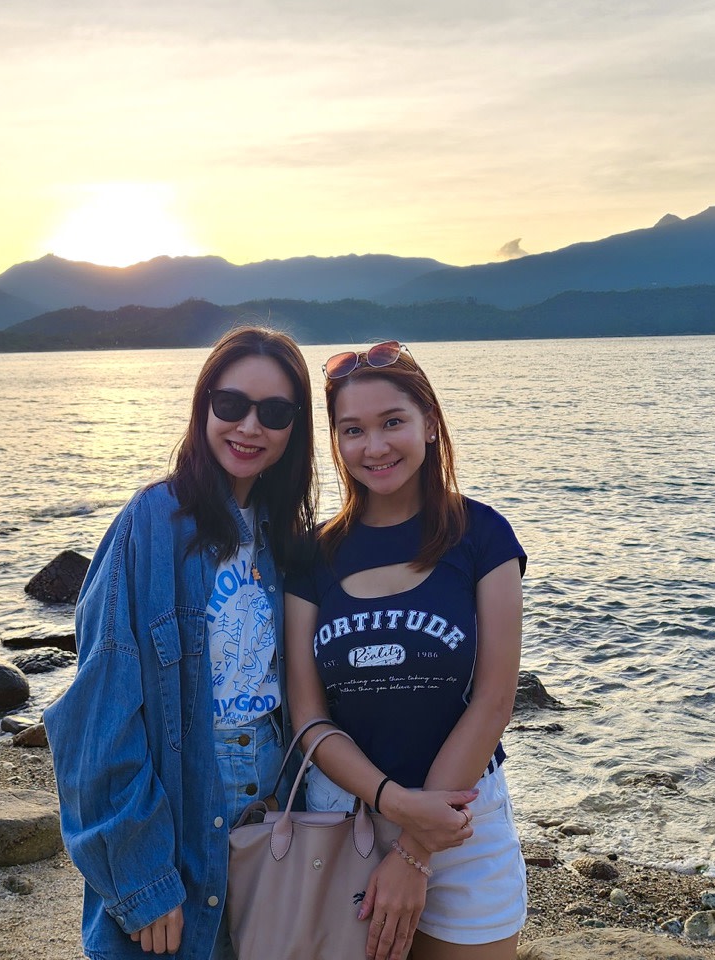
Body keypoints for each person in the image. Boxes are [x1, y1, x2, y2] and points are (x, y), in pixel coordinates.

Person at [44, 326, 317, 960]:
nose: (249, 426)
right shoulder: (151, 523)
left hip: (275, 802)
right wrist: (141, 876)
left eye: (274, 412)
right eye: (231, 404)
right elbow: (98, 710)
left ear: (295, 428)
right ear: (204, 407)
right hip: (182, 799)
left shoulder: (285, 537)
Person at [285, 340, 527, 960]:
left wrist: (416, 850)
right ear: (336, 441)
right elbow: (309, 716)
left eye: (392, 422)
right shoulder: (313, 555)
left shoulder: (481, 535)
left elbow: (494, 700)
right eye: (353, 430)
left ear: (430, 423)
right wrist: (394, 803)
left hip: (463, 823)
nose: (375, 446)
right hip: (344, 823)